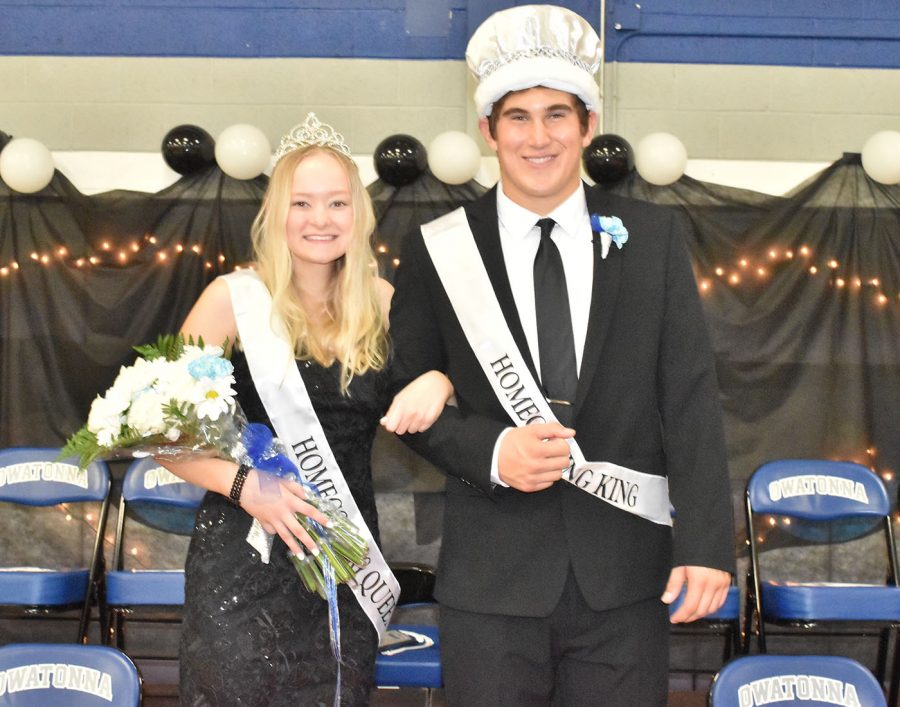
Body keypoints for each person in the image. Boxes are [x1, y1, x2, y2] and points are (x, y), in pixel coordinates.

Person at [387, 5, 735, 705]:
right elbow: (406, 397)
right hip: (492, 580)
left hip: (627, 576)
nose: (537, 137)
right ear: (488, 130)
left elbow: (690, 399)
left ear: (587, 126)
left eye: (556, 115)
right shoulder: (437, 248)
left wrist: (706, 543)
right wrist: (494, 452)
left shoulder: (654, 239)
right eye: (517, 117)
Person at [158, 113, 453, 706]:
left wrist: (441, 380)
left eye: (337, 203)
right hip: (244, 556)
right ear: (276, 214)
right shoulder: (231, 300)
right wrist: (244, 486)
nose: (320, 220)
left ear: (359, 214)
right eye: (302, 203)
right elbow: (163, 435)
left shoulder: (384, 304)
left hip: (344, 562)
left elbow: (446, 386)